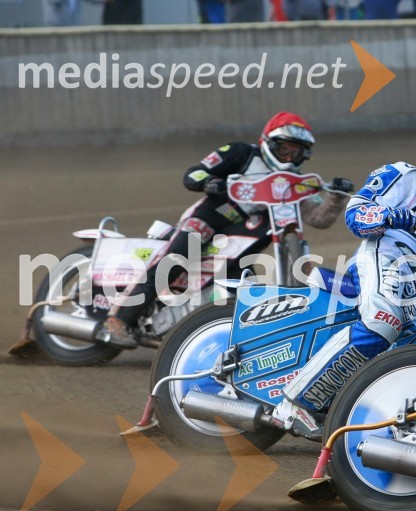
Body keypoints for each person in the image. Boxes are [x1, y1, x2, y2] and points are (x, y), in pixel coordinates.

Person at [274, 121, 416, 441]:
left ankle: (365, 410)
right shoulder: (405, 176)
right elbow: (356, 212)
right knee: (384, 320)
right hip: (386, 257)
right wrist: (387, 216)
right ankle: (295, 402)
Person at [100, 112, 354, 348]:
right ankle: (119, 318)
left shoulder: (294, 182)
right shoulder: (240, 153)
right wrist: (212, 183)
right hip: (209, 219)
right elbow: (193, 175)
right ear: (268, 142)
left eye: (295, 152)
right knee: (177, 258)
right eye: (284, 148)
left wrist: (337, 196)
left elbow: (318, 219)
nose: (288, 157)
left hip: (241, 245)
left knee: (247, 292)